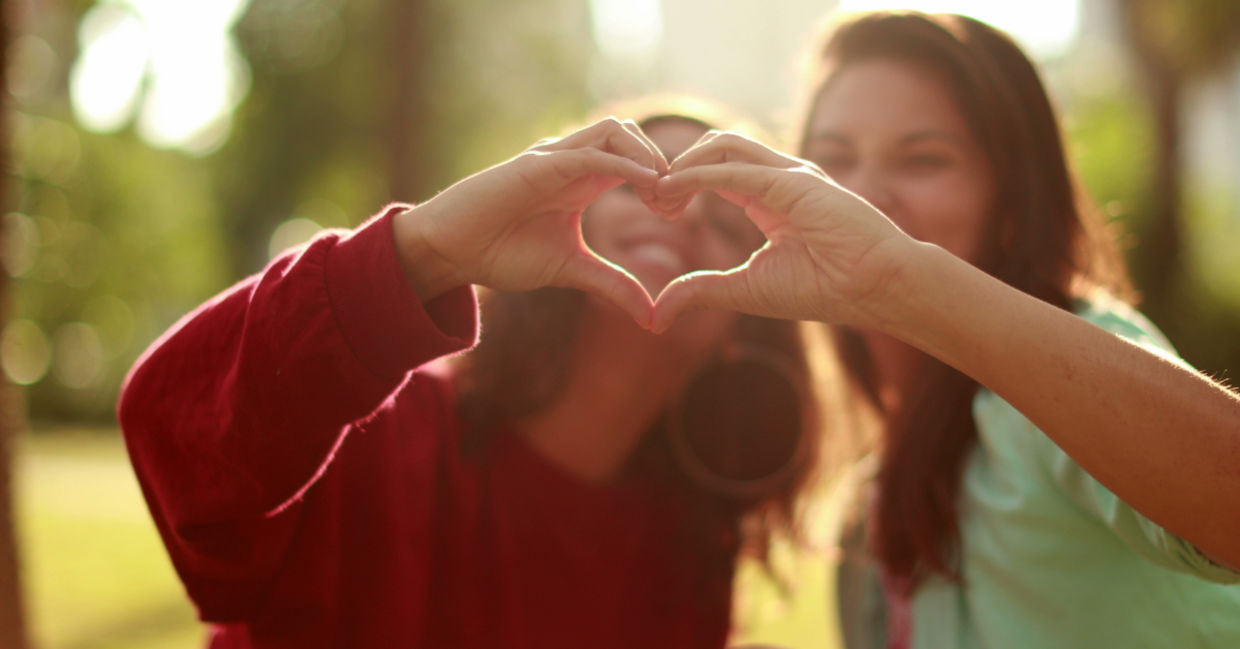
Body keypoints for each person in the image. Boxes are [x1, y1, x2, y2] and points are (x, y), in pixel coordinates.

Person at [117, 101, 825, 649]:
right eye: (643, 180)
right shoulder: (377, 428)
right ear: (562, 206)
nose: (682, 211)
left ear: (750, 320)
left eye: (731, 223)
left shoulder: (691, 548)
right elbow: (171, 422)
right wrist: (424, 250)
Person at [647, 10, 1240, 649]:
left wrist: (904, 280)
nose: (863, 195)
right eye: (831, 159)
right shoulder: (870, 499)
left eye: (923, 160)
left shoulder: (1052, 385)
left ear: (1012, 201)